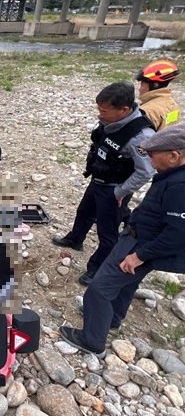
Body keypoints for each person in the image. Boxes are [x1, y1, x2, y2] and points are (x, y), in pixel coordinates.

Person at [59, 123, 185, 358]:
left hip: (141, 244)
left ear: (174, 155)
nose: (148, 157)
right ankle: (112, 319)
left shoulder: (180, 185)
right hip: (142, 238)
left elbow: (177, 234)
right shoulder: (173, 175)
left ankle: (91, 339)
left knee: (99, 289)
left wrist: (139, 256)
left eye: (153, 153)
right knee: (126, 283)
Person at [52, 82, 156, 286]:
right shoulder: (111, 122)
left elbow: (146, 171)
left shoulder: (141, 136)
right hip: (98, 180)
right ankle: (75, 239)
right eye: (99, 109)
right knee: (84, 212)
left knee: (107, 231)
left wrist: (121, 192)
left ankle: (98, 268)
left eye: (104, 111)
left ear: (124, 110)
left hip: (114, 189)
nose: (100, 115)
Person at [136, 59, 180, 131]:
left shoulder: (148, 111)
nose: (139, 89)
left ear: (155, 85)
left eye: (142, 85)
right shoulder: (173, 104)